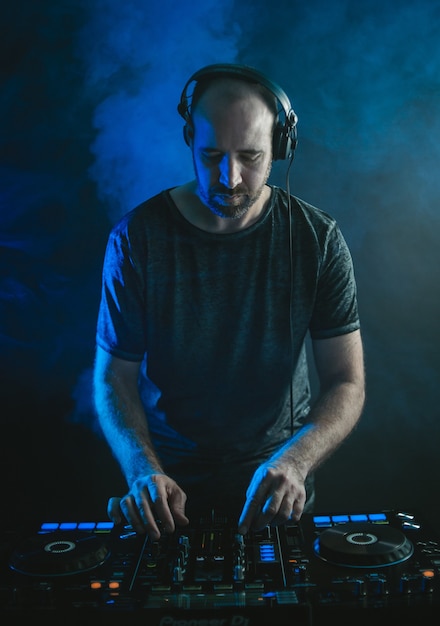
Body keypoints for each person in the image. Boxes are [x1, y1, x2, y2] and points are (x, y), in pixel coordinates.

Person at [92, 63, 365, 541]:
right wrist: (141, 471)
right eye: (212, 154)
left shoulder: (317, 239)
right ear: (187, 138)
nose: (231, 178)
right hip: (165, 492)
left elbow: (346, 381)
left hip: (281, 491)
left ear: (280, 147)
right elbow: (114, 377)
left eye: (251, 156)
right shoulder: (136, 240)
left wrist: (296, 463)